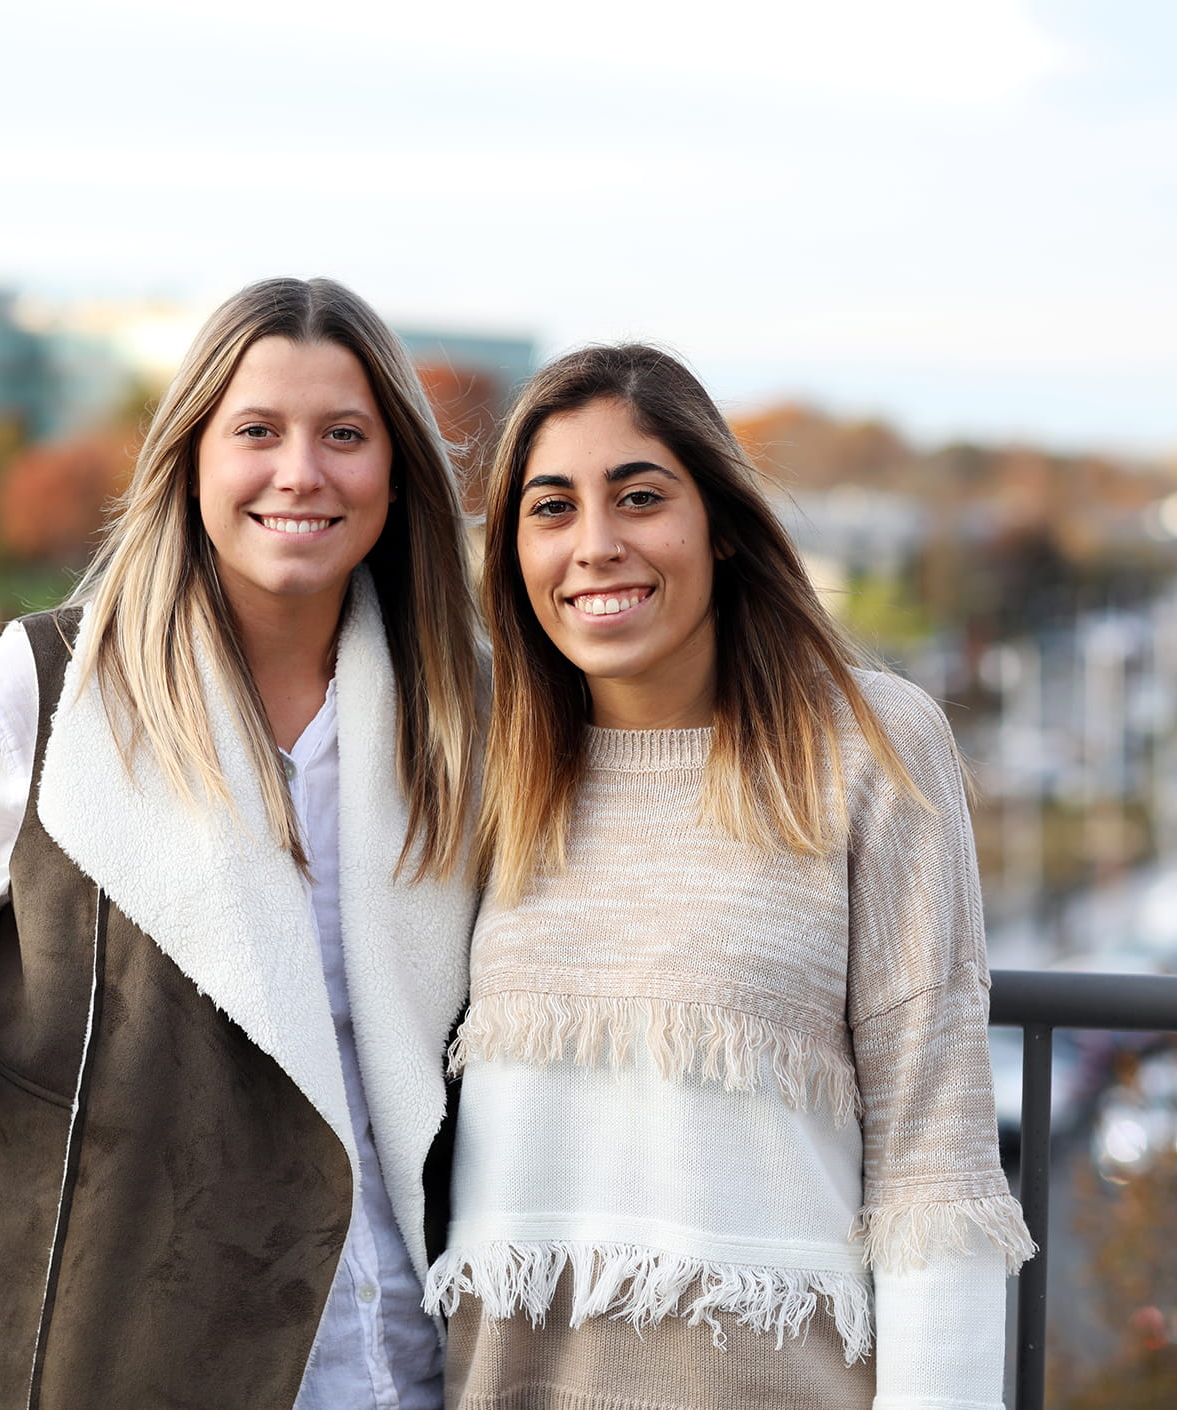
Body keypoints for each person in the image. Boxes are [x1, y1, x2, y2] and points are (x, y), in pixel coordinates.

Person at [0, 278, 483, 1410]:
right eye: (256, 433)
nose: (300, 473)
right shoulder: (47, 692)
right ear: (190, 456)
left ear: (393, 471)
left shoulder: (458, 707)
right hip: (157, 1348)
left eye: (344, 436)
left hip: (420, 1347)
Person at [424, 344, 1033, 1409]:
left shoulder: (867, 745)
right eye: (550, 508)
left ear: (720, 525)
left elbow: (933, 1160)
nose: (596, 546)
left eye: (640, 498)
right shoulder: (480, 758)